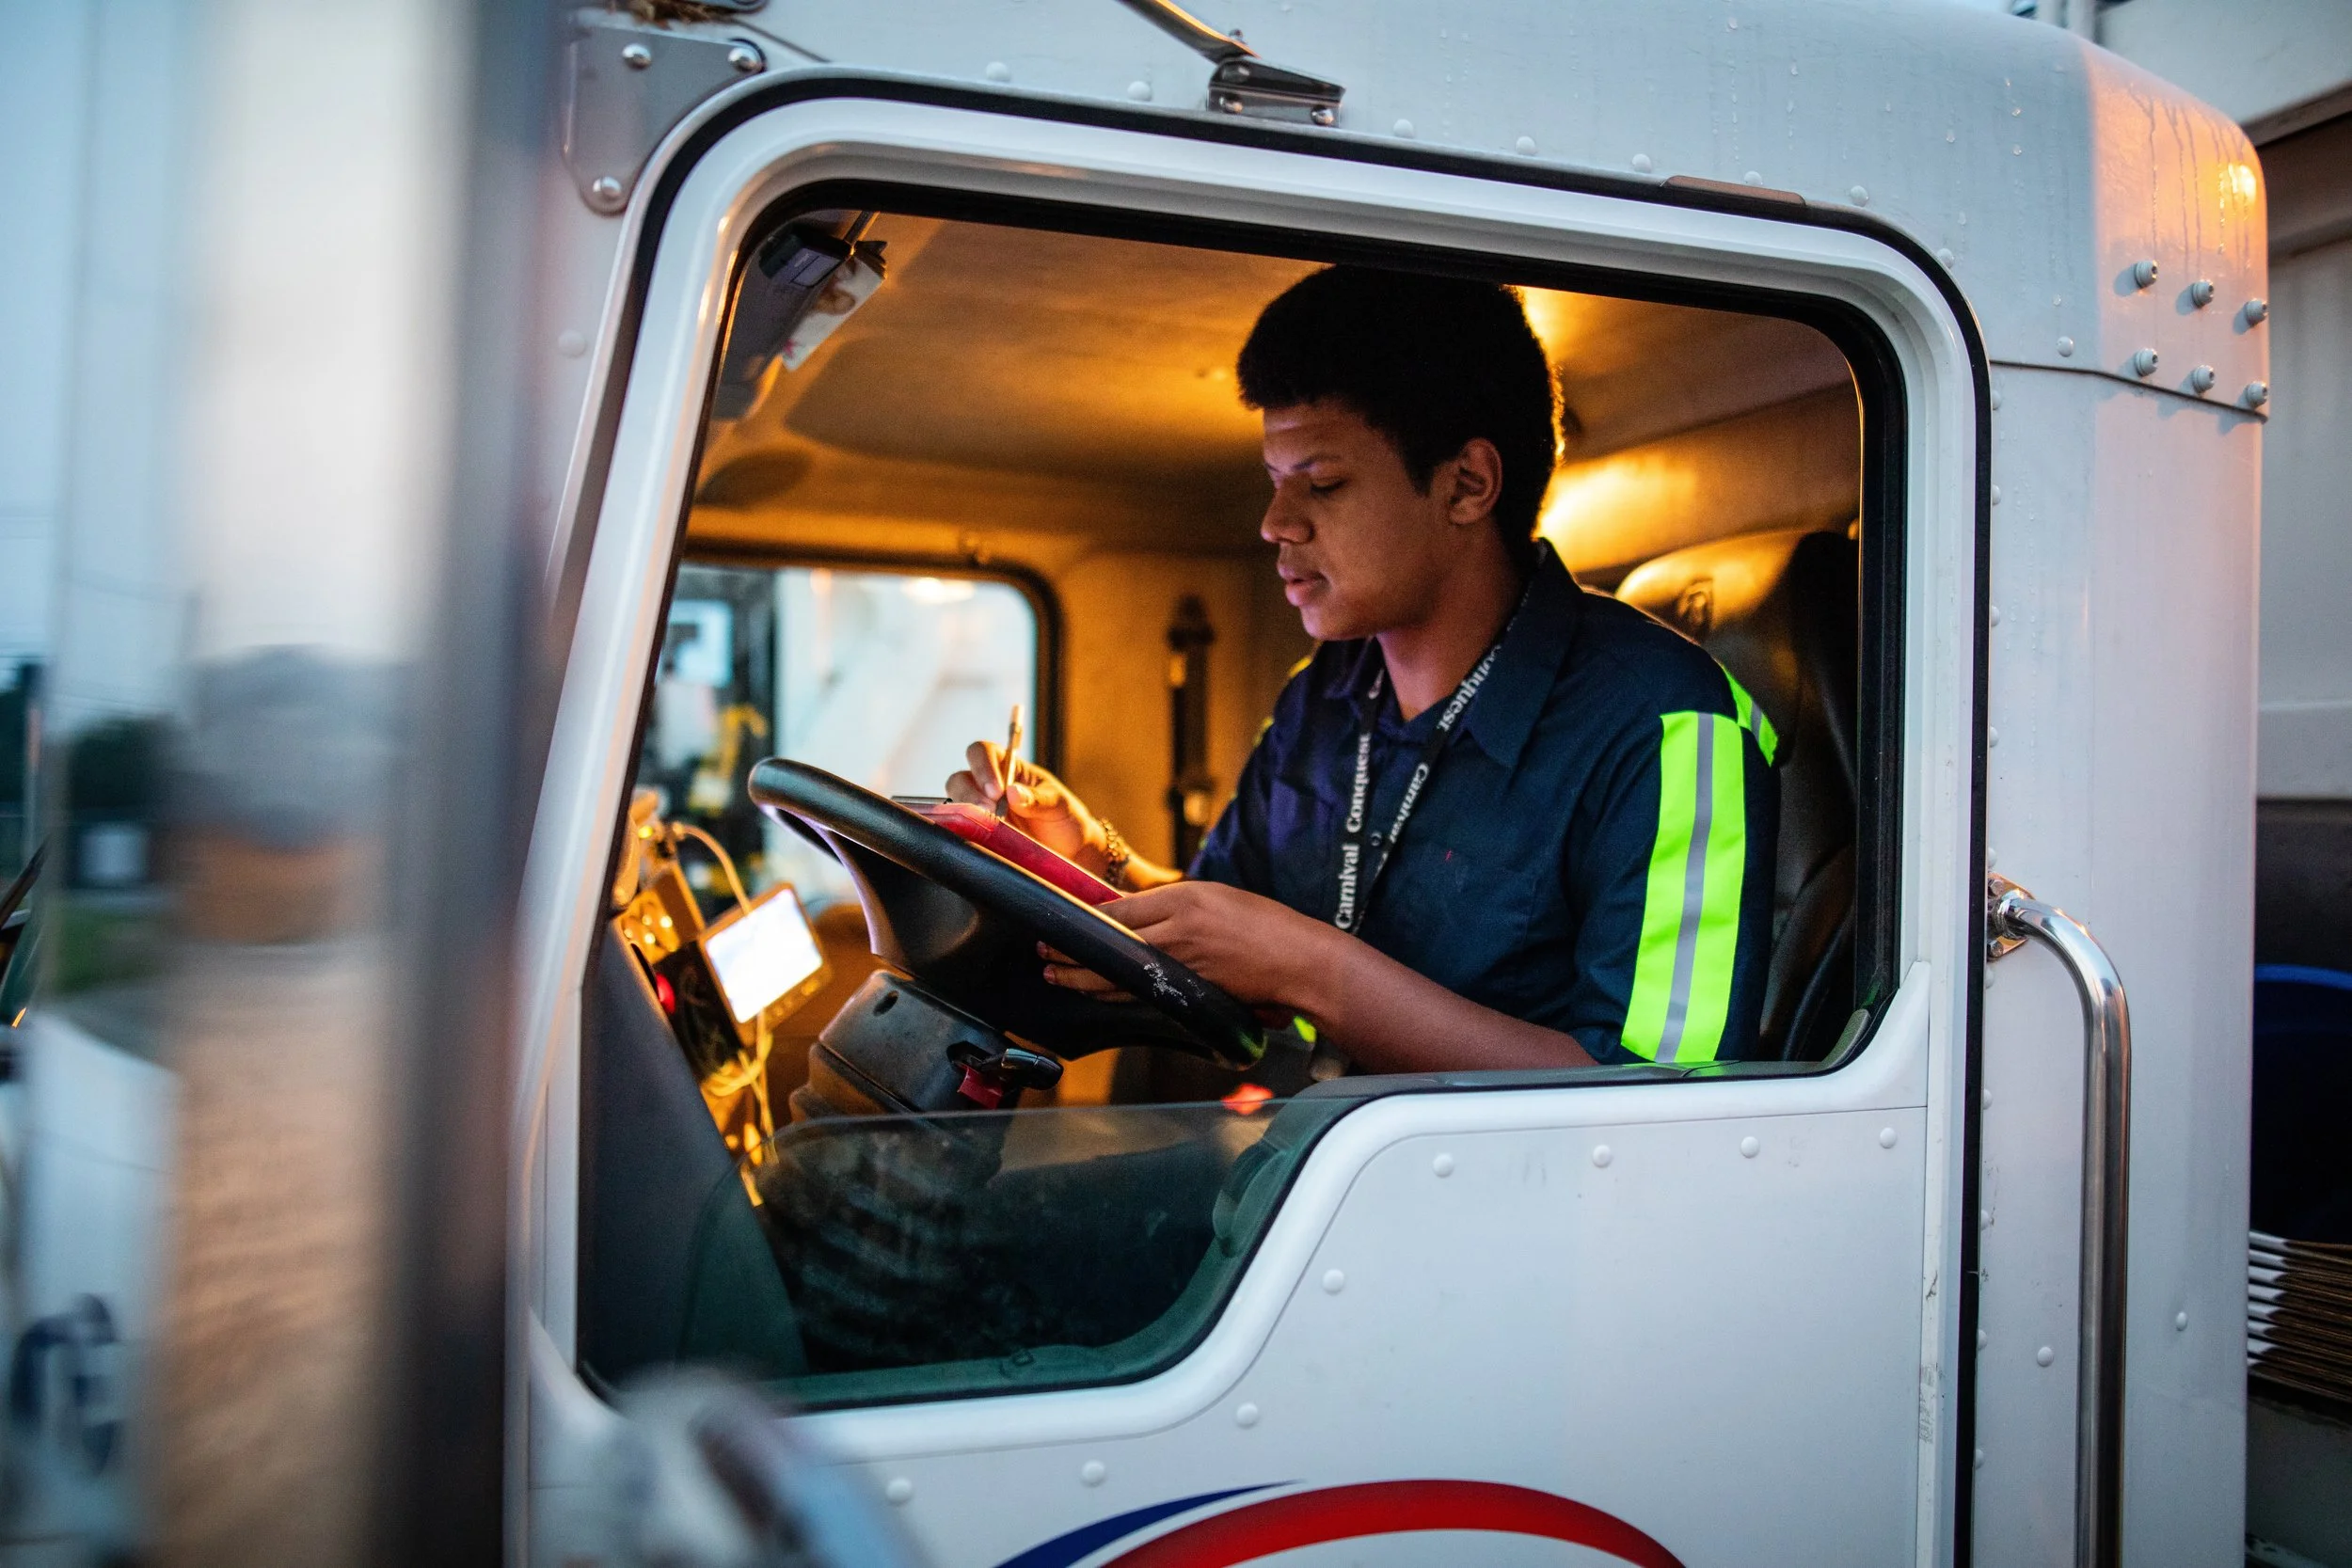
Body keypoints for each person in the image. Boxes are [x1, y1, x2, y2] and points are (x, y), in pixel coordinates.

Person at [948, 267, 1778, 1071]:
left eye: (1324, 483)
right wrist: (1092, 856)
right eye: (1274, 483)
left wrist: (1310, 967)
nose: (1275, 524)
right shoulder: (1328, 692)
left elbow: (1658, 1098)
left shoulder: (1669, 723)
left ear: (1466, 485)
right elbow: (1230, 934)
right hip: (1321, 1161)